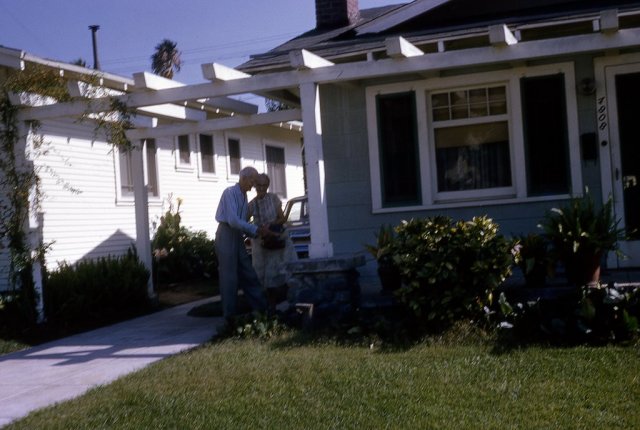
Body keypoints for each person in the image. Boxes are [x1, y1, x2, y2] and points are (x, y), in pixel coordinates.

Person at [214, 166, 274, 322]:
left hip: (237, 236)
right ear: (243, 178)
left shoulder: (243, 196)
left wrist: (257, 231)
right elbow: (233, 221)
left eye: (255, 182)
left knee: (248, 272)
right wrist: (255, 229)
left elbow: (242, 222)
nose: (253, 185)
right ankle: (229, 317)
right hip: (226, 234)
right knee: (229, 277)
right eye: (252, 181)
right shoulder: (230, 193)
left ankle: (262, 309)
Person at [248, 174, 298, 308]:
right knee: (266, 276)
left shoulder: (274, 198)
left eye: (264, 185)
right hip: (262, 242)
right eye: (259, 185)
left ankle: (292, 302)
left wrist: (270, 224)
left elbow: (282, 218)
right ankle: (271, 307)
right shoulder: (252, 204)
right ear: (255, 186)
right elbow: (245, 222)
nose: (261, 188)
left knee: (284, 270)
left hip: (277, 237)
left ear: (268, 186)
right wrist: (259, 229)